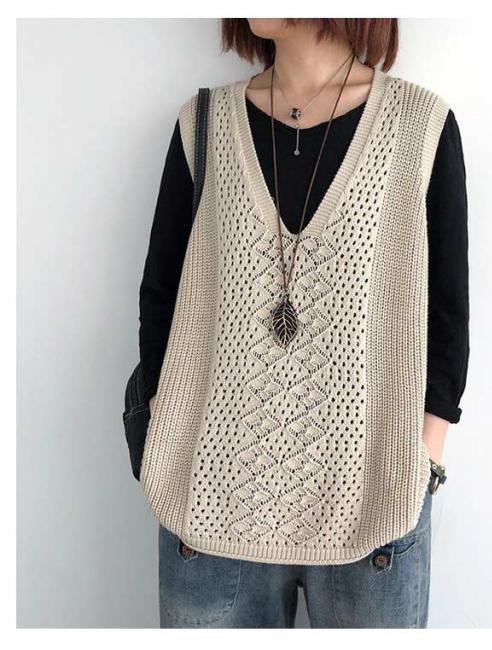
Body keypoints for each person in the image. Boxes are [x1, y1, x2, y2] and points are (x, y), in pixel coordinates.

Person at [134, 18, 469, 628]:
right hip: (207, 507)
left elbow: (447, 310)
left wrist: (424, 456)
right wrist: (163, 423)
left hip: (374, 505)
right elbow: (162, 293)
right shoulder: (204, 124)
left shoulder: (419, 126)